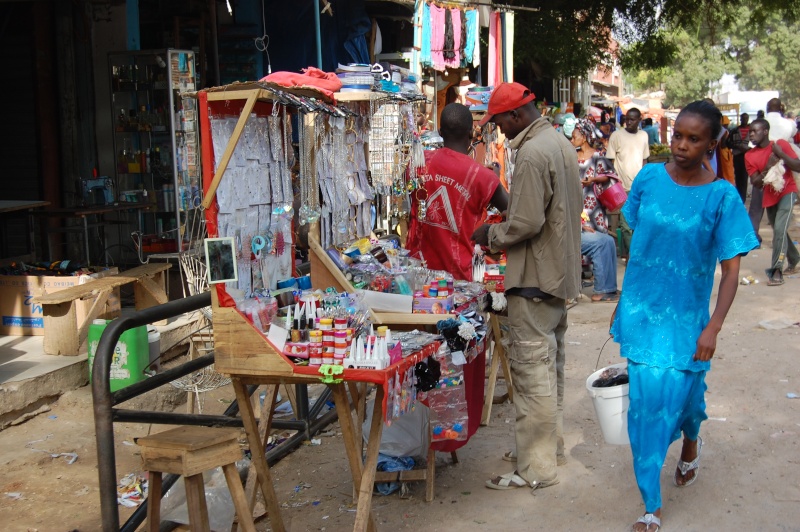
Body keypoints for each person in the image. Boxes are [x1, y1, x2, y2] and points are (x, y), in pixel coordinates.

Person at [610, 100, 758, 532]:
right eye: (677, 135)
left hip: (686, 320)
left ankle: (691, 443)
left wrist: (713, 326)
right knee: (647, 407)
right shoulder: (650, 179)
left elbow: (731, 272)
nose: (681, 145)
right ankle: (651, 504)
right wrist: (624, 299)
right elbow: (640, 241)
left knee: (688, 399)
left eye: (694, 139)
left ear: (712, 144)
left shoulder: (722, 198)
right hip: (641, 313)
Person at [471, 82, 582, 491]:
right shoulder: (558, 142)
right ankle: (546, 450)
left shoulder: (534, 153)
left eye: (498, 121)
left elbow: (526, 223)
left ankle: (535, 469)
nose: (498, 130)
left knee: (532, 374)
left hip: (535, 281)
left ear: (516, 115)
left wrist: (490, 236)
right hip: (555, 278)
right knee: (549, 370)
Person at [406, 103, 508, 281]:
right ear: (471, 133)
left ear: (440, 131)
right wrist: (494, 180)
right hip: (460, 281)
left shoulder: (417, 162)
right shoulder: (483, 177)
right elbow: (516, 213)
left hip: (417, 276)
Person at [744, 118, 800, 285]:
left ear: (766, 131)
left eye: (755, 131)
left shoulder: (780, 144)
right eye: (750, 132)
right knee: (779, 230)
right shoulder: (749, 156)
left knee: (779, 229)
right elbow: (755, 183)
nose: (751, 134)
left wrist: (781, 154)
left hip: (787, 192)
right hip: (769, 196)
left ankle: (776, 271)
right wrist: (768, 165)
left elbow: (797, 166)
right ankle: (795, 257)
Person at [570, 118, 619, 302]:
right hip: (576, 208)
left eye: (575, 135)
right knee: (599, 244)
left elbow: (611, 177)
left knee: (605, 242)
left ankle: (608, 288)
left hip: (594, 208)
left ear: (584, 137)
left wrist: (594, 180)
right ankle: (603, 288)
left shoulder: (598, 157)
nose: (572, 138)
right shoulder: (570, 157)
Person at [606, 107, 650, 260]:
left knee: (639, 222)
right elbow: (610, 161)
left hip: (639, 187)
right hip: (622, 187)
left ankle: (636, 253)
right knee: (625, 225)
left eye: (632, 119)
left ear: (639, 120)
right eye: (627, 119)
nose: (629, 122)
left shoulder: (644, 136)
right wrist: (614, 182)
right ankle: (634, 255)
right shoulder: (616, 136)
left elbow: (644, 159)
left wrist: (646, 181)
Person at [728, 113, 751, 202]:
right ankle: (739, 197)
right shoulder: (735, 130)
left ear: (748, 118)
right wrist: (737, 146)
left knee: (744, 178)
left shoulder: (752, 130)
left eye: (746, 118)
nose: (744, 119)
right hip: (737, 156)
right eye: (743, 118)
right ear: (740, 119)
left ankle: (743, 199)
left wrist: (747, 149)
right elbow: (728, 143)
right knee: (738, 177)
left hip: (748, 156)